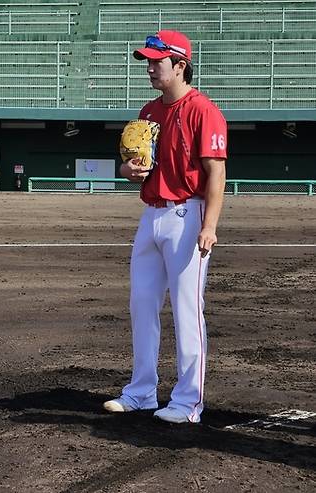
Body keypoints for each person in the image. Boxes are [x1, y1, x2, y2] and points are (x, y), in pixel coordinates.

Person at [103, 30, 227, 424]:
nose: (151, 69)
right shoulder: (149, 112)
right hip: (151, 215)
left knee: (188, 310)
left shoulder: (203, 110)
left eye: (157, 62)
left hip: (187, 215)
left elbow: (216, 172)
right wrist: (128, 170)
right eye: (148, 62)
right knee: (142, 304)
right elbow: (134, 170)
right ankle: (141, 392)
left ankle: (189, 402)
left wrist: (209, 225)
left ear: (180, 65)